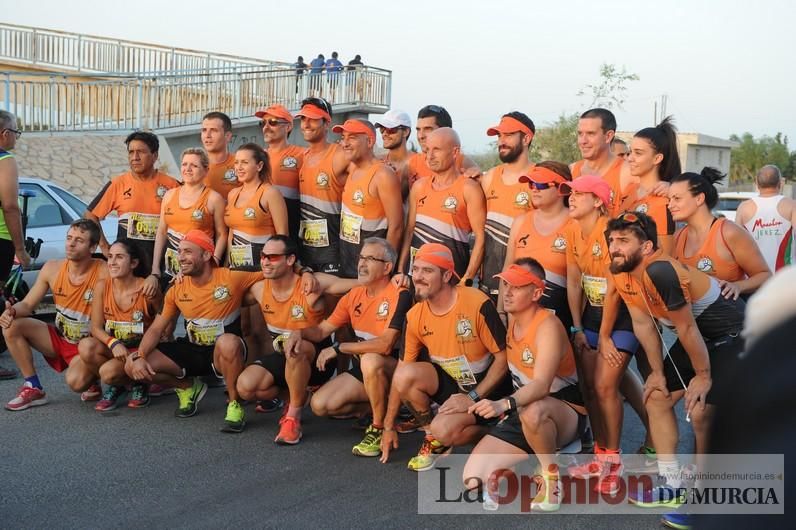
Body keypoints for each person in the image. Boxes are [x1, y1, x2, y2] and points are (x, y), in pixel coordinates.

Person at [603, 212, 746, 517]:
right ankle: (672, 483)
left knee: (702, 412)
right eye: (612, 240)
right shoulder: (620, 269)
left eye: (623, 241)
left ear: (646, 247)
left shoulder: (660, 271)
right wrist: (656, 372)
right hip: (697, 337)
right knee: (656, 398)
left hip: (730, 335)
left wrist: (703, 376)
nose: (614, 247)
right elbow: (643, 323)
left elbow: (687, 329)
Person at [463, 258, 585, 513]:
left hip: (562, 410)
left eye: (517, 286)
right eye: (505, 284)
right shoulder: (512, 322)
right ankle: (532, 461)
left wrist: (502, 405)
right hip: (524, 408)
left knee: (534, 411)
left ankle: (552, 476)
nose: (507, 291)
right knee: (472, 479)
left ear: (537, 292)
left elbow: (541, 386)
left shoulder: (548, 325)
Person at [380, 243, 511, 471]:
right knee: (405, 377)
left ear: (447, 275)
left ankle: (500, 433)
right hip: (456, 389)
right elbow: (402, 373)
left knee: (453, 426)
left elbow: (504, 358)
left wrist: (472, 396)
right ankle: (436, 438)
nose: (418, 277)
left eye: (427, 271)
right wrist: (388, 426)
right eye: (416, 269)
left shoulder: (477, 303)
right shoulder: (414, 316)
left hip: (492, 391)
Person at [562, 175, 651, 492]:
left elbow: (614, 291)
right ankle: (600, 456)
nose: (571, 198)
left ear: (598, 200)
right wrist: (576, 326)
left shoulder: (611, 234)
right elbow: (575, 281)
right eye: (570, 193)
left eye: (579, 194)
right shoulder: (572, 228)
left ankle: (614, 461)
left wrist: (604, 335)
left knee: (605, 386)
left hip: (623, 316)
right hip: (590, 315)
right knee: (588, 388)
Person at [287, 238, 412, 456]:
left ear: (387, 268)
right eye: (361, 257)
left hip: (400, 370)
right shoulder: (354, 294)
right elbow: (320, 331)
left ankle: (378, 427)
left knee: (371, 360)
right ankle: (381, 406)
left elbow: (385, 345)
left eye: (370, 259)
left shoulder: (400, 293)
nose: (362, 263)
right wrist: (298, 332)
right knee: (320, 405)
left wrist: (338, 348)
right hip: (368, 370)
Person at [125, 230, 261, 431]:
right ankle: (187, 387)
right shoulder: (177, 288)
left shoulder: (231, 277)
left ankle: (235, 403)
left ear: (206, 255)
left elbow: (271, 270)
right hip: (193, 348)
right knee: (132, 364)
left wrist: (303, 270)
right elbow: (155, 329)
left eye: (188, 252)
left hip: (224, 352)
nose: (180, 257)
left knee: (228, 342)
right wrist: (140, 356)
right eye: (179, 252)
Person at [236, 235, 356, 442]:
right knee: (246, 387)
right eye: (263, 256)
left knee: (297, 348)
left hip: (317, 361)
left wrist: (398, 278)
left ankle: (293, 419)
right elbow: (218, 284)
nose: (264, 261)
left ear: (290, 260)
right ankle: (298, 396)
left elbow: (356, 284)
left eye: (272, 257)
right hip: (283, 358)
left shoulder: (312, 284)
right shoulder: (258, 287)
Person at [1, 220, 108, 410]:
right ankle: (33, 387)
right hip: (59, 339)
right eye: (69, 238)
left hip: (87, 347)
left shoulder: (104, 272)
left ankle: (93, 376)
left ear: (92, 247)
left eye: (79, 240)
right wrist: (12, 311)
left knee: (75, 383)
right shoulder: (52, 268)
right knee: (11, 324)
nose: (71, 244)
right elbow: (28, 304)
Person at [77, 239, 160, 411]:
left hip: (144, 350)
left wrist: (155, 280)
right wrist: (112, 343)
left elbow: (165, 326)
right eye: (110, 257)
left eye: (119, 257)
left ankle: (140, 384)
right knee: (86, 346)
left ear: (134, 263)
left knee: (107, 373)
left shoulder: (147, 288)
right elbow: (95, 327)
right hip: (119, 349)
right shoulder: (102, 286)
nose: (112, 262)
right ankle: (121, 384)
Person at [398, 128, 485, 282]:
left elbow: (480, 238)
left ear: (454, 152)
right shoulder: (419, 186)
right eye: (427, 150)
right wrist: (401, 270)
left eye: (436, 150)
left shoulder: (468, 188)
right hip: (416, 277)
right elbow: (409, 231)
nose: (430, 156)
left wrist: (468, 278)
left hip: (450, 279)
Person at [670, 168, 771, 299]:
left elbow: (765, 275)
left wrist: (738, 286)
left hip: (730, 316)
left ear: (699, 198)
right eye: (669, 199)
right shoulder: (677, 237)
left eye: (677, 198)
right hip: (694, 317)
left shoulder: (728, 232)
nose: (670, 205)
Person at [85, 131, 180, 259]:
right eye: (131, 152)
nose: (135, 157)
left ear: (155, 155)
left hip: (160, 261)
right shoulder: (118, 183)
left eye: (141, 152)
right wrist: (104, 246)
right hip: (127, 264)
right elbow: (91, 215)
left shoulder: (172, 185)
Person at [502, 162, 574, 330]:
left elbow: (577, 283)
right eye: (531, 184)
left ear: (561, 189)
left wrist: (578, 327)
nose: (534, 189)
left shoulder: (574, 224)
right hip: (519, 319)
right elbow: (508, 270)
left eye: (540, 184)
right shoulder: (520, 222)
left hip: (559, 319)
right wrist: (501, 312)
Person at [145, 148, 226, 293]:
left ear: (206, 170)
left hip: (197, 268)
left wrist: (215, 262)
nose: (187, 169)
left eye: (194, 166)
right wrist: (155, 267)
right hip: (169, 268)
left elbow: (222, 234)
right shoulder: (169, 195)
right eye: (184, 164)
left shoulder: (214, 199)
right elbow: (162, 232)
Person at [333, 119, 403, 278]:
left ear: (370, 141)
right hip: (348, 262)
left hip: (372, 270)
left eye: (352, 138)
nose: (345, 143)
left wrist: (384, 270)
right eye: (343, 138)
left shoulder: (383, 175)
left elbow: (397, 227)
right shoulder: (352, 169)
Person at [479, 112, 536, 301]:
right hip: (487, 283)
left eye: (509, 135)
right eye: (499, 136)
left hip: (523, 288)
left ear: (526, 138)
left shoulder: (539, 180)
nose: (501, 141)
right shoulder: (489, 178)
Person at [295, 97, 350, 274]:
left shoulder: (339, 154)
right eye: (303, 118)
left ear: (327, 123)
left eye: (312, 118)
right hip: (306, 247)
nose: (306, 124)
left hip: (333, 249)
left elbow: (367, 167)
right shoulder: (303, 157)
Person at [616, 117, 681, 254]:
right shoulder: (629, 190)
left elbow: (665, 256)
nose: (630, 158)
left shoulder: (663, 201)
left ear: (657, 158)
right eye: (630, 152)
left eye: (638, 153)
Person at [0, 110, 32, 380]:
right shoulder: (5, 159)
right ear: (5, 134)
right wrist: (20, 249)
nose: (16, 138)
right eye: (16, 132)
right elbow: (10, 206)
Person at [256, 105, 304, 242]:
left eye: (273, 122)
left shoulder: (302, 154)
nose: (266, 127)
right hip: (261, 229)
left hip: (290, 229)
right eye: (263, 123)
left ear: (288, 127)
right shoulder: (258, 158)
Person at [735, 164, 796, 272]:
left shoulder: (744, 207)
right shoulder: (791, 205)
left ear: (757, 183)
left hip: (754, 277)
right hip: (783, 277)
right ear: (780, 183)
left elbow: (735, 245)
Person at [406, 105, 481, 186]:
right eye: (418, 129)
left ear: (445, 131)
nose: (420, 136)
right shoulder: (412, 163)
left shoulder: (461, 161)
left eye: (428, 129)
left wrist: (478, 176)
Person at [571, 108, 624, 215]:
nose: (583, 141)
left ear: (608, 136)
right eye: (580, 134)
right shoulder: (571, 171)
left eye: (591, 134)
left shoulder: (626, 173)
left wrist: (667, 188)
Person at [374, 110, 413, 201]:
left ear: (405, 132)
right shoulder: (378, 162)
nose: (384, 134)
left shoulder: (419, 163)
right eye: (382, 129)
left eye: (390, 129)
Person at [201, 112, 239, 200]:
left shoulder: (240, 164)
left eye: (214, 130)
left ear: (228, 136)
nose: (207, 135)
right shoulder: (193, 166)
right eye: (204, 130)